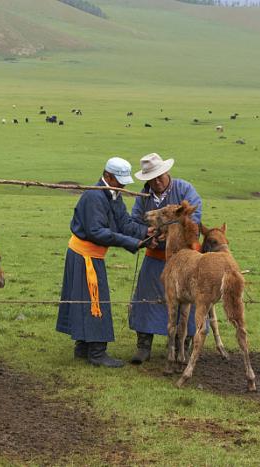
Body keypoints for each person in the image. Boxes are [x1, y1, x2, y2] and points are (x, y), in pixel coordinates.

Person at [56, 157, 151, 368]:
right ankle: (97, 353)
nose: (124, 185)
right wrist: (133, 243)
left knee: (87, 301)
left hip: (91, 256)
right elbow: (96, 232)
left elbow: (124, 223)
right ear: (107, 176)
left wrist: (145, 234)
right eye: (120, 180)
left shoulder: (113, 194)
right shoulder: (94, 196)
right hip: (84, 256)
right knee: (95, 302)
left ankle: (83, 348)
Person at [128, 153, 202, 364]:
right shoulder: (144, 197)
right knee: (146, 297)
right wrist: (146, 233)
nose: (157, 181)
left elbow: (194, 217)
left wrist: (170, 229)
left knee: (188, 298)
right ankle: (144, 345)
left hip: (186, 258)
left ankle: (183, 345)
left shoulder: (185, 190)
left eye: (160, 176)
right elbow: (135, 221)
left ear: (167, 172)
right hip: (156, 255)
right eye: (152, 178)